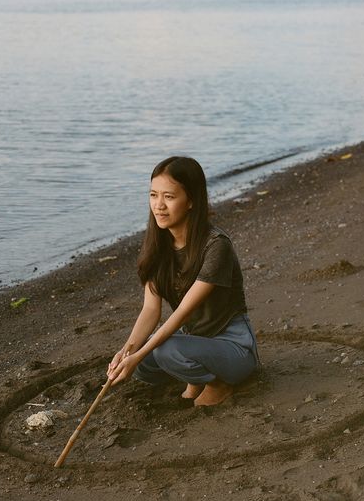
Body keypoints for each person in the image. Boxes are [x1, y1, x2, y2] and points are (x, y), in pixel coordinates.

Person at [106, 156, 259, 406]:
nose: (159, 206)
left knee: (164, 349)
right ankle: (194, 373)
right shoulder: (158, 247)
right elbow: (150, 310)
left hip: (234, 349)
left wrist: (139, 353)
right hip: (194, 344)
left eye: (169, 196)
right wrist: (127, 352)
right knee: (141, 364)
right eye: (153, 195)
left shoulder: (216, 246)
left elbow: (182, 315)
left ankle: (217, 384)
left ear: (191, 201)